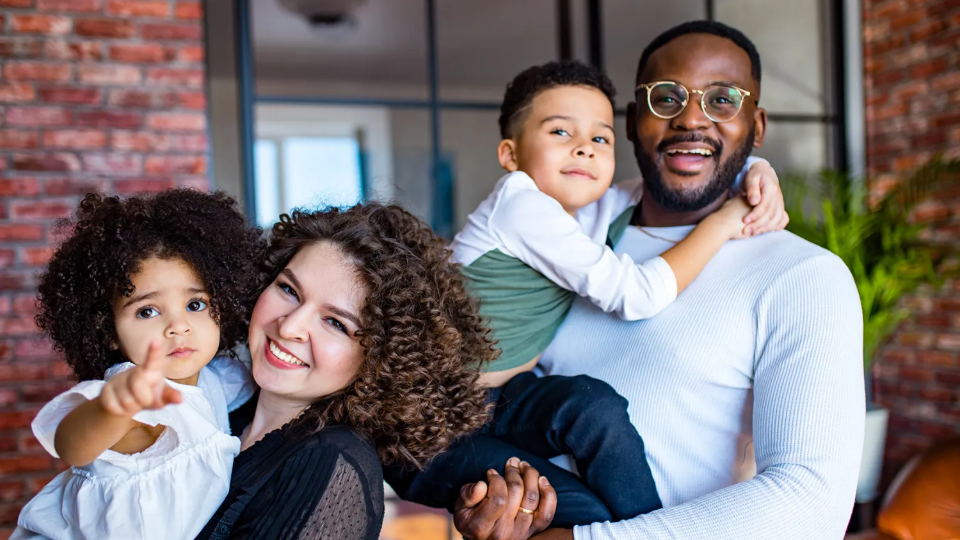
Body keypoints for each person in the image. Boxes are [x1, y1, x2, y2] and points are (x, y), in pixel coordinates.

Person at [453, 20, 865, 540]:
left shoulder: (802, 277)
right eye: (665, 98)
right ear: (630, 122)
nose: (691, 117)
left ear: (756, 126)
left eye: (722, 100)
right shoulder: (579, 226)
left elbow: (812, 502)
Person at [386, 61, 789, 526]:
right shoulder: (520, 204)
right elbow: (638, 295)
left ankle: (646, 528)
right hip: (425, 429)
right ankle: (649, 532)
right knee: (585, 512)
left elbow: (679, 179)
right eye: (561, 132)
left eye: (600, 139)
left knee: (595, 408)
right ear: (510, 155)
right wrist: (723, 223)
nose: (584, 149)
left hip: (495, 403)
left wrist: (754, 168)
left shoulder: (582, 214)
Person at [196, 203, 495, 539]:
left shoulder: (329, 463)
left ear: (383, 359)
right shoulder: (218, 401)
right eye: (289, 290)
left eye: (336, 323)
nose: (291, 326)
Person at [13, 190, 265, 540]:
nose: (178, 325)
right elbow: (72, 445)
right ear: (109, 331)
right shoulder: (132, 391)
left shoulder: (219, 379)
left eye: (195, 304)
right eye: (148, 311)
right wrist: (113, 407)